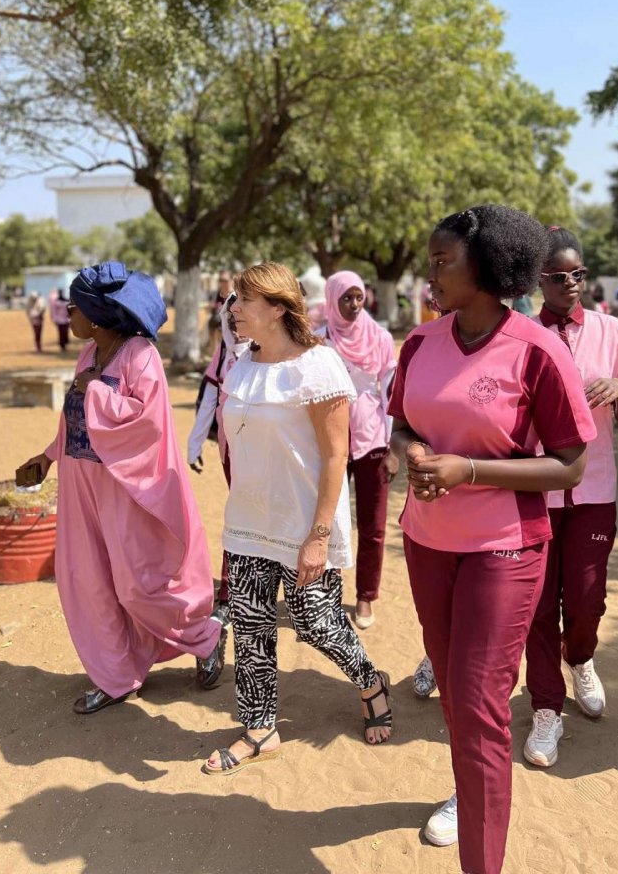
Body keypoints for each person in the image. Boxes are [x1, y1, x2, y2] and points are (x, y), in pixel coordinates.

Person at [388, 205, 596, 874]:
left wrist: (467, 470)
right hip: (427, 544)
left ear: (486, 267)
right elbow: (400, 425)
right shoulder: (420, 343)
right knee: (456, 693)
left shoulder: (538, 350)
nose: (431, 273)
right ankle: (470, 789)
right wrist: (414, 454)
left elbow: (570, 464)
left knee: (478, 704)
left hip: (504, 549)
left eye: (443, 261)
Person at [203, 263, 392, 776]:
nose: (233, 309)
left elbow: (336, 457)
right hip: (248, 523)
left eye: (242, 300)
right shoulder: (241, 363)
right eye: (233, 300)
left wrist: (319, 536)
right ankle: (260, 727)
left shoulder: (319, 366)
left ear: (279, 309)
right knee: (251, 627)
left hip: (304, 524)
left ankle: (371, 681)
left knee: (317, 623)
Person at [19, 262, 225, 715]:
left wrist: (97, 391)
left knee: (139, 585)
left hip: (127, 489)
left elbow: (146, 423)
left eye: (71, 309)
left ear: (93, 316)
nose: (66, 316)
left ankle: (205, 636)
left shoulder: (140, 356)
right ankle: (115, 677)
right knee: (89, 582)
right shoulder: (88, 353)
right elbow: (74, 416)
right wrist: (49, 456)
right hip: (81, 484)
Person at [523, 227, 618, 769]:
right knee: (539, 605)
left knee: (589, 599)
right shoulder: (520, 334)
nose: (570, 284)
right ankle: (546, 708)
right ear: (536, 281)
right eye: (556, 277)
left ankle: (583, 658)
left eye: (578, 274)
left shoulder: (615, 332)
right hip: (536, 493)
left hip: (594, 492)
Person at [323, 271, 398, 630]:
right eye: (345, 299)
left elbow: (391, 394)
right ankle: (329, 594)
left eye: (358, 297)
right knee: (331, 522)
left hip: (373, 442)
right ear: (331, 300)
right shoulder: (321, 340)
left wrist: (393, 446)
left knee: (373, 525)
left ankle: (366, 595)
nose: (353, 305)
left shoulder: (380, 339)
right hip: (331, 443)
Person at [187, 293, 246, 630]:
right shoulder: (224, 354)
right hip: (230, 451)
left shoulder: (268, 354)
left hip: (266, 454)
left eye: (242, 317)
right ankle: (228, 593)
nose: (237, 327)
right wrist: (194, 446)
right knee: (238, 515)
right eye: (231, 319)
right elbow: (210, 398)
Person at [207, 271, 232, 353]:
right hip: (215, 325)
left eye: (225, 280)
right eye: (221, 280)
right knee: (216, 352)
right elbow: (211, 310)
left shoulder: (234, 296)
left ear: (231, 280)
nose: (223, 283)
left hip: (229, 329)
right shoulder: (215, 295)